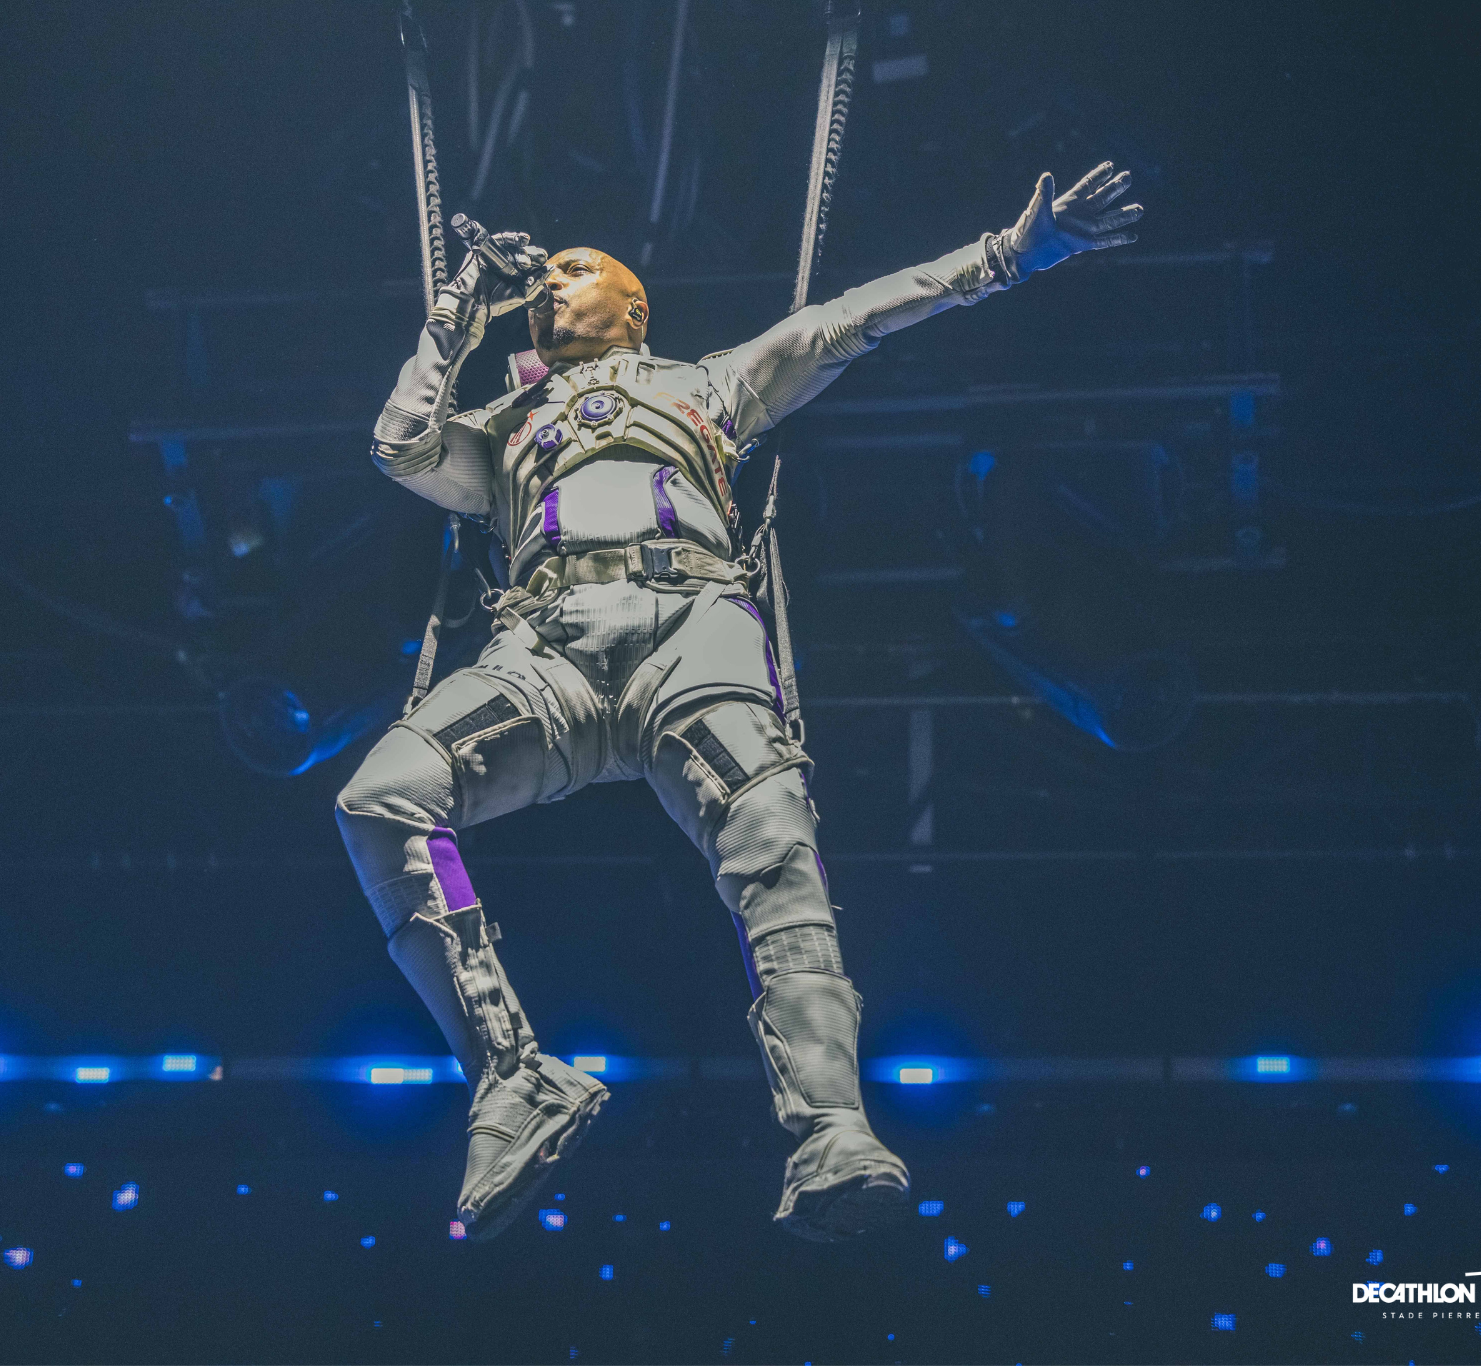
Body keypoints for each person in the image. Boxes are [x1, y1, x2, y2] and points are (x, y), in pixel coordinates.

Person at [335, 164, 1142, 1242]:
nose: (549, 283)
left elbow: (849, 321)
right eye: (543, 275)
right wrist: (455, 315)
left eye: (576, 269)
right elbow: (400, 444)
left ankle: (831, 1128)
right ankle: (511, 1076)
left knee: (771, 847)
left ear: (635, 308)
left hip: (688, 626)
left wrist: (1007, 254)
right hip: (544, 647)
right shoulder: (503, 423)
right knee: (380, 800)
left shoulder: (708, 385)